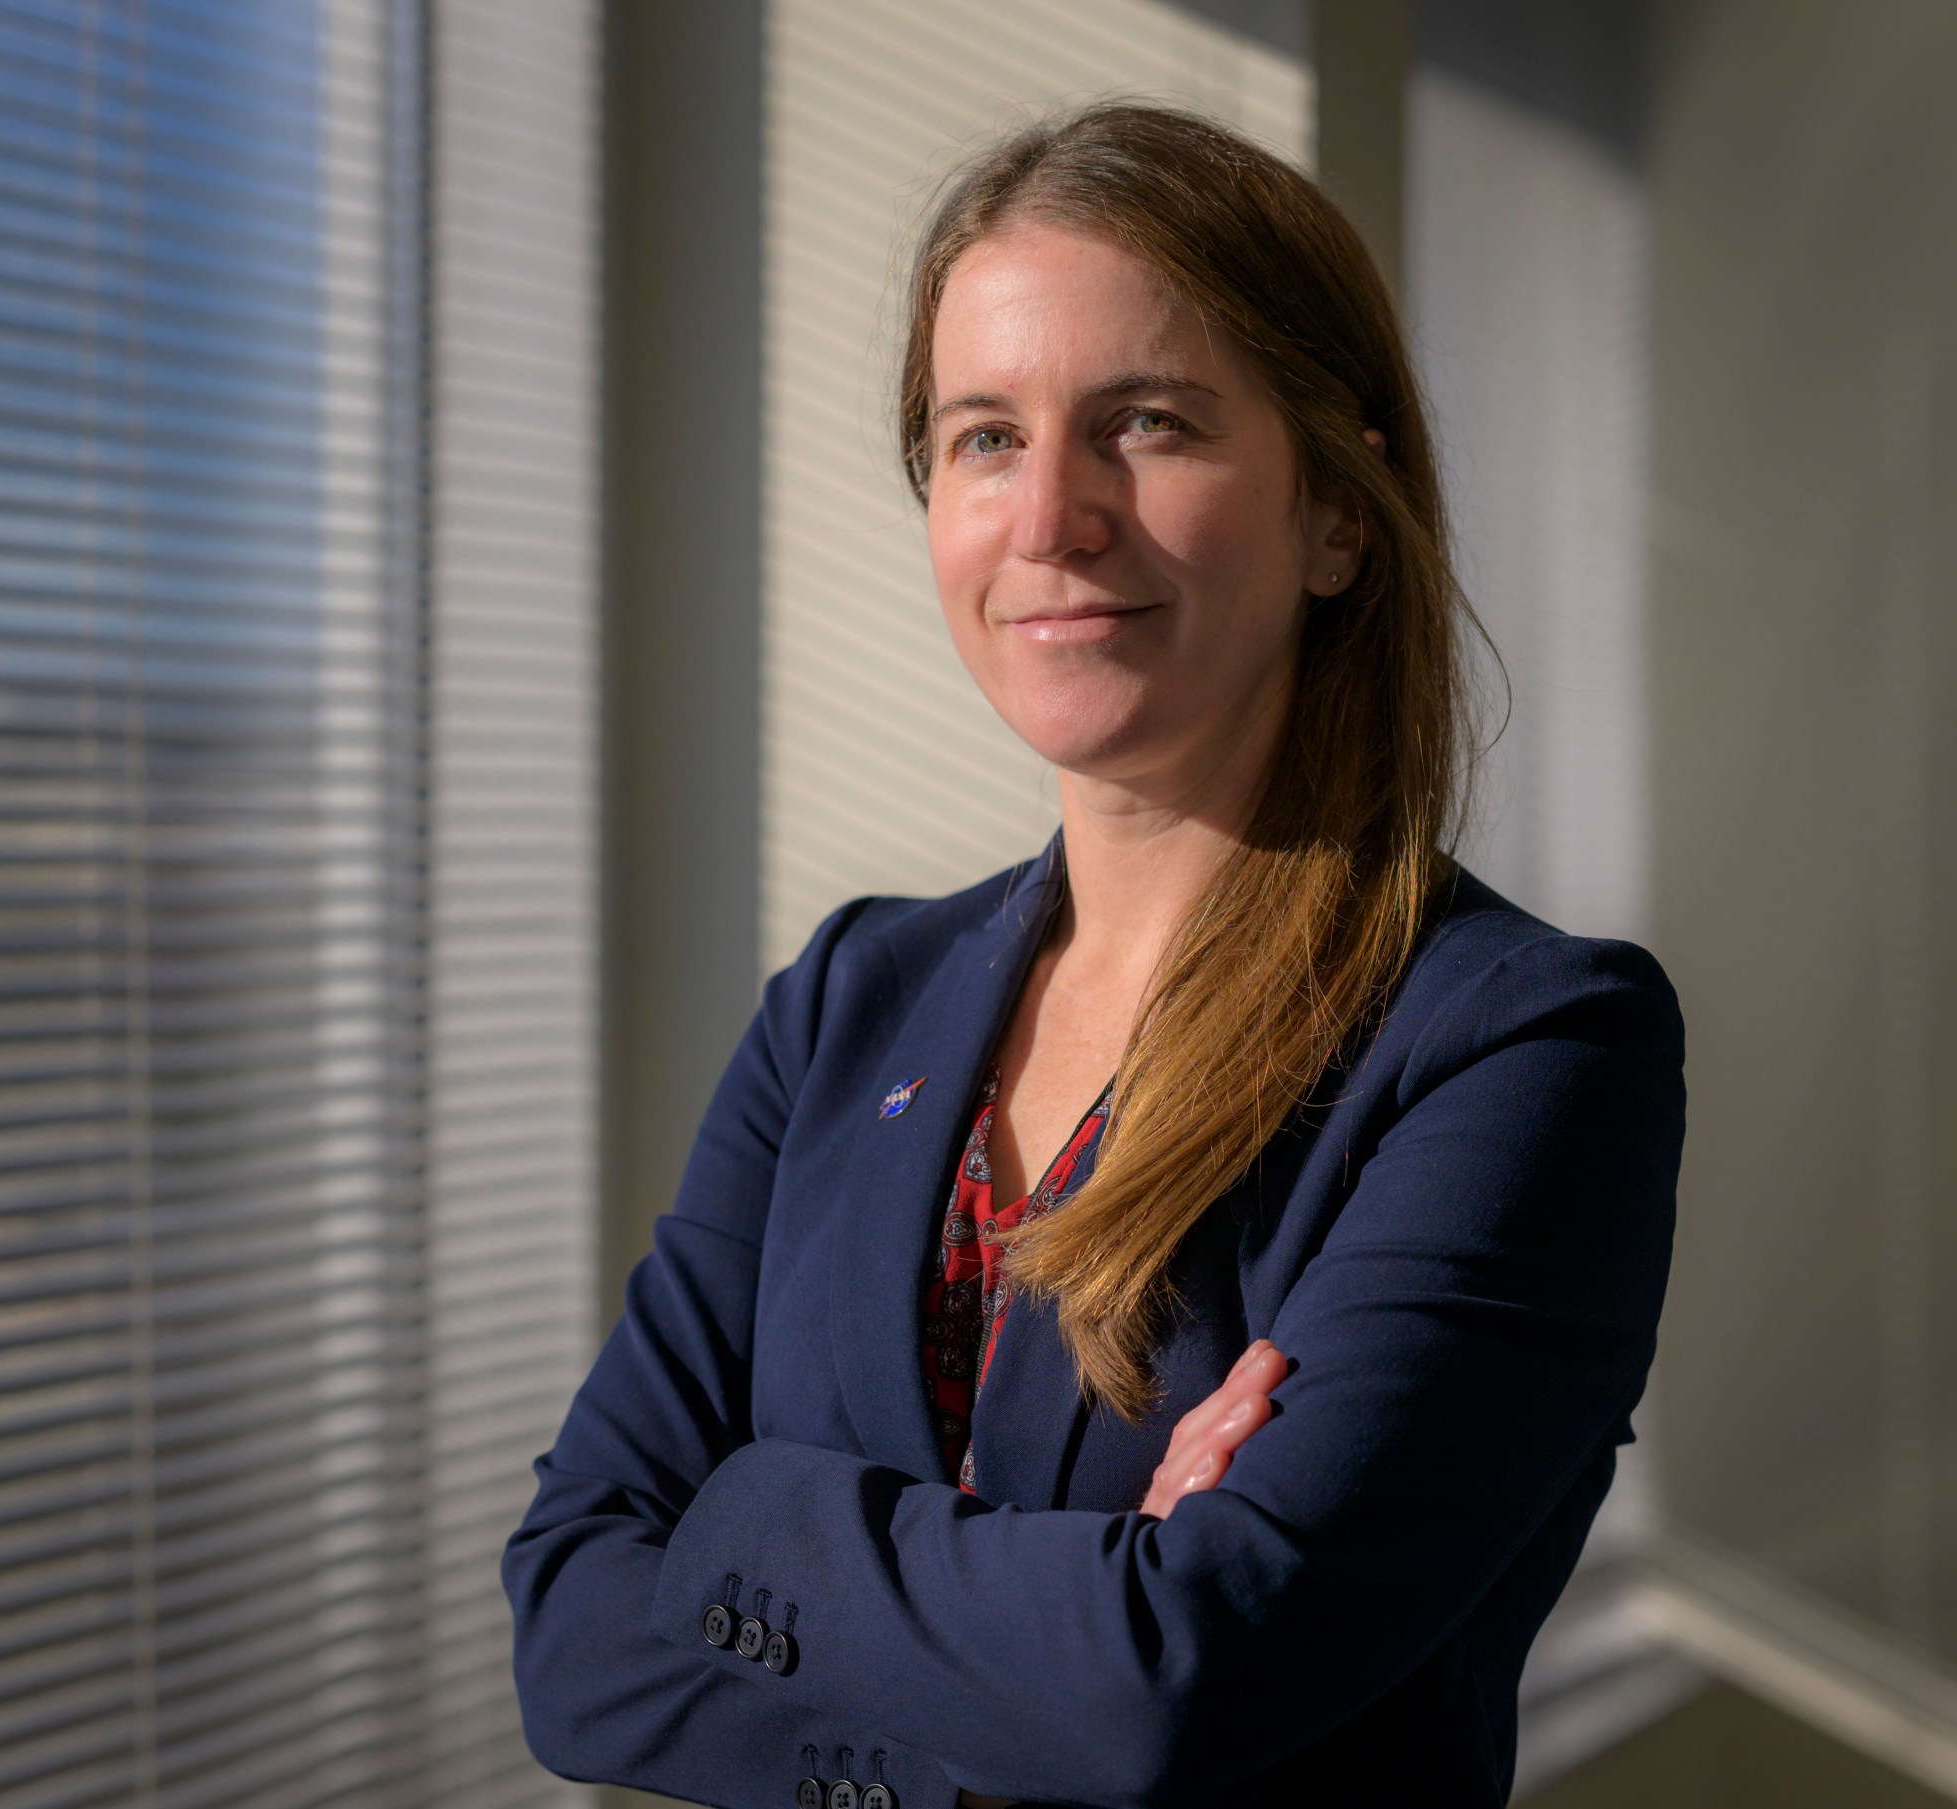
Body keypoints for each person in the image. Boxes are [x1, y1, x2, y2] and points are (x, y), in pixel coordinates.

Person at [503, 101, 1684, 1809]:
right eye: (986, 436)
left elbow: (1182, 1677)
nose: (1051, 514)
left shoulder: (1523, 1049)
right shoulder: (848, 1003)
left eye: (1147, 423)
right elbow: (569, 1626)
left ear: (1337, 514)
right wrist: (1062, 1622)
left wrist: (748, 1519)